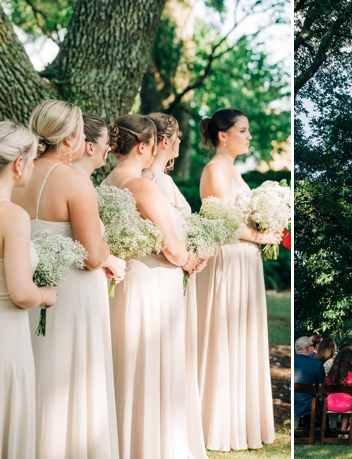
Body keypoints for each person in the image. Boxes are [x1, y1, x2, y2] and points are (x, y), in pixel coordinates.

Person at [12, 102, 125, 459]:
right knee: (75, 373)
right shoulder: (75, 182)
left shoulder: (17, 179)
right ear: (72, 139)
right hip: (74, 293)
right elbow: (92, 255)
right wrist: (110, 252)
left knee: (41, 365)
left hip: (34, 289)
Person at [103, 115, 204, 457]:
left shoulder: (107, 182)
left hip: (123, 284)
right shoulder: (143, 186)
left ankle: (125, 441)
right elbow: (172, 247)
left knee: (127, 360)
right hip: (153, 281)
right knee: (151, 363)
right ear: (144, 146)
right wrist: (189, 260)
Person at [197, 109, 280, 451]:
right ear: (223, 135)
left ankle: (242, 421)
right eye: (243, 130)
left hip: (246, 260)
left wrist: (268, 226)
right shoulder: (215, 170)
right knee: (226, 334)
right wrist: (261, 237)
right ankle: (218, 425)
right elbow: (222, 222)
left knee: (243, 334)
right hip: (229, 258)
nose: (249, 136)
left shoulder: (235, 170)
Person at [0, 120, 60, 459]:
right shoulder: (11, 216)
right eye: (31, 160)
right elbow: (22, 293)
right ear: (18, 165)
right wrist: (46, 295)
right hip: (1, 343)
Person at [145, 112, 209, 458]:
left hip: (174, 271)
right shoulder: (149, 181)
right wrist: (186, 258)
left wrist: (197, 250)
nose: (182, 144)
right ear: (165, 141)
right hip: (160, 272)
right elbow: (159, 234)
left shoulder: (162, 181)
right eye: (179, 138)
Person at [293, 337, 325, 431]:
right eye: (312, 345)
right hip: (308, 402)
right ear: (308, 348)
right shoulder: (316, 364)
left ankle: (296, 427)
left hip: (293, 398)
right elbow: (321, 383)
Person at [325, 349, 352, 432]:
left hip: (330, 404)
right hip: (347, 405)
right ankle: (348, 429)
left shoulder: (331, 375)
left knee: (347, 401)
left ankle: (343, 428)